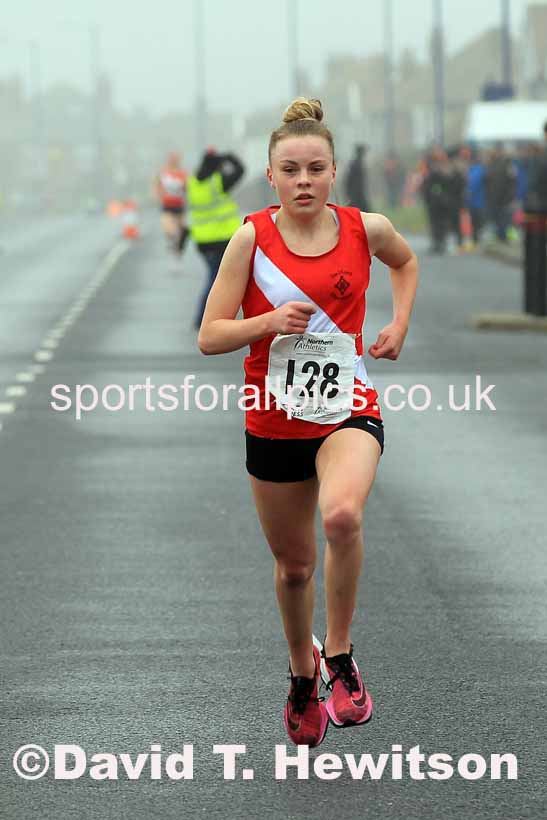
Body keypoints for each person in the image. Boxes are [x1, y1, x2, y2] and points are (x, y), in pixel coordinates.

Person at [198, 98, 418, 747]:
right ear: (270, 176)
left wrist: (399, 323)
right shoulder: (250, 239)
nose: (303, 181)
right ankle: (302, 673)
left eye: (315, 169)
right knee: (294, 568)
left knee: (342, 516)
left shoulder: (364, 228)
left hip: (348, 406)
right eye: (290, 170)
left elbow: (405, 262)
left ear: (332, 173)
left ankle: (341, 655)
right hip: (274, 419)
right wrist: (267, 322)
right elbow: (210, 335)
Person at [186, 148, 244, 329]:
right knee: (217, 279)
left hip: (202, 241)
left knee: (216, 277)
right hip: (222, 239)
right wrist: (228, 157)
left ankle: (209, 316)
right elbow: (240, 169)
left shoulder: (193, 183)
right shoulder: (218, 182)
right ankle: (203, 318)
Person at [153, 151, 189, 255]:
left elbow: (187, 187)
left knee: (183, 230)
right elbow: (156, 185)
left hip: (179, 204)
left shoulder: (183, 173)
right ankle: (173, 242)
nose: (174, 161)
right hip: (167, 204)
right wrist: (158, 196)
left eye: (176, 158)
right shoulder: (163, 172)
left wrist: (187, 195)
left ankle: (178, 248)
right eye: (172, 158)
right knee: (169, 229)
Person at [344, 143, 372, 211]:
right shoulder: (356, 163)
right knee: (360, 209)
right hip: (356, 192)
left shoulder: (356, 163)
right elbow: (351, 179)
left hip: (357, 191)